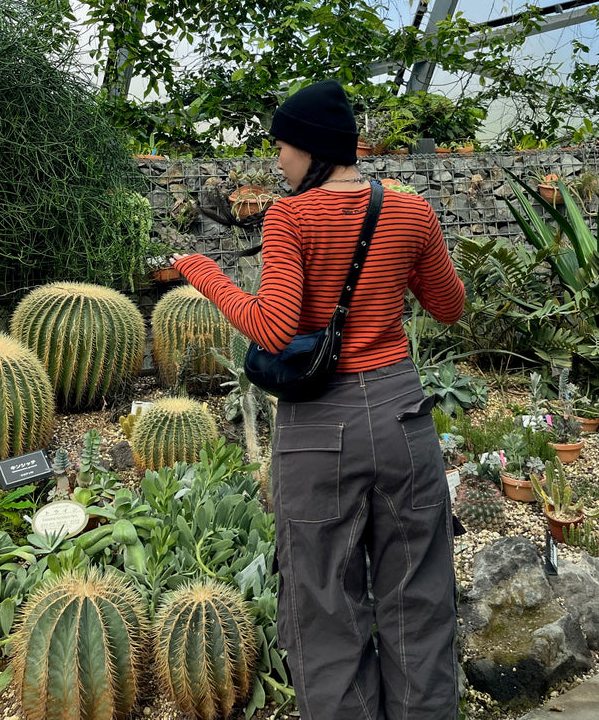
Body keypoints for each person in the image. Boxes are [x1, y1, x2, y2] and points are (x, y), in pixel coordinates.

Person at [171, 79, 465, 720]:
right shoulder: (411, 210)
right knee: (419, 595)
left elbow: (275, 328)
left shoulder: (290, 217)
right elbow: (449, 306)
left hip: (318, 424)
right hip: (401, 416)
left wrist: (204, 273)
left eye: (283, 147)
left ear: (312, 148)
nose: (279, 161)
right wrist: (391, 281)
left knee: (323, 602)